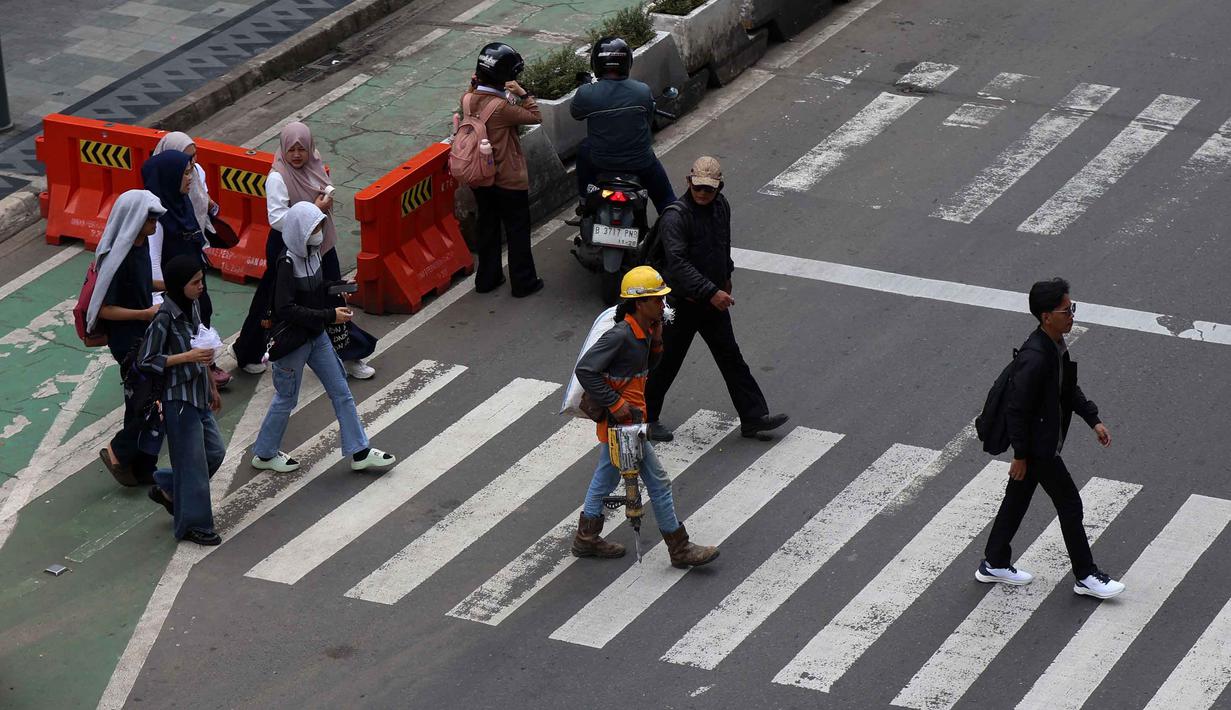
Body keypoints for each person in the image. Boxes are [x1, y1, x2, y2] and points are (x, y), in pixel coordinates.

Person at [977, 277, 1125, 599]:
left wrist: (1093, 420)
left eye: (1071, 308)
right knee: (1070, 503)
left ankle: (993, 562)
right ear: (1047, 316)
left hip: (1038, 444)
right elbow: (1016, 410)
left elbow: (1067, 389)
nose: (1071, 314)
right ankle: (1086, 575)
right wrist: (1020, 455)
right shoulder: (1036, 357)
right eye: (1065, 310)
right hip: (1039, 448)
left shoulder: (1056, 344)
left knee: (1016, 501)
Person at [572, 265, 718, 568]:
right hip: (623, 425)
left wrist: (658, 340)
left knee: (605, 476)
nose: (662, 304)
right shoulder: (621, 334)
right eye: (656, 300)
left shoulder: (644, 331)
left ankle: (586, 538)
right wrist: (614, 404)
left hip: (630, 422)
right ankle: (680, 548)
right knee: (659, 481)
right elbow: (586, 370)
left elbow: (646, 368)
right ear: (639, 303)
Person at [644, 157, 788, 443]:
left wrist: (727, 275)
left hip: (712, 301)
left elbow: (723, 244)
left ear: (719, 188)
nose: (702, 194)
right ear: (689, 182)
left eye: (709, 190)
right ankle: (645, 420)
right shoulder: (676, 216)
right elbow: (678, 265)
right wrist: (712, 291)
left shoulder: (721, 207)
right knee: (665, 362)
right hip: (680, 303)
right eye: (698, 188)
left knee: (731, 358)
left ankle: (753, 418)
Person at [250, 202, 396, 474]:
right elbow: (286, 308)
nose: (318, 232)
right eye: (313, 228)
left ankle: (359, 450)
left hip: (316, 336)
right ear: (299, 231)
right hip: (294, 342)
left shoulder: (313, 254)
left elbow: (316, 289)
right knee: (286, 398)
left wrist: (336, 288)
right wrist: (330, 316)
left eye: (319, 227)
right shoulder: (287, 263)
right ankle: (265, 453)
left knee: (341, 391)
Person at [233, 122, 378, 379]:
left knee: (332, 294)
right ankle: (247, 350)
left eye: (302, 148)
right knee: (272, 302)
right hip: (287, 248)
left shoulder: (314, 164)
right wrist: (315, 210)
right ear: (283, 150)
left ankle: (351, 354)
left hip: (320, 242)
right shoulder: (278, 177)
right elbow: (277, 218)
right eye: (292, 149)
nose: (297, 155)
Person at [138, 255, 226, 546]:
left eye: (201, 280)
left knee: (214, 453)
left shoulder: (194, 306)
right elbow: (146, 360)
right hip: (178, 399)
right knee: (194, 465)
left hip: (199, 392)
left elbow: (201, 346)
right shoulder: (164, 318)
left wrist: (211, 385)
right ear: (179, 285)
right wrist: (186, 357)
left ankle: (167, 484)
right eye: (195, 282)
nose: (201, 286)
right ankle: (194, 524)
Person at [88, 189, 167, 486]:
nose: (155, 225)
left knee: (142, 399)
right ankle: (118, 450)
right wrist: (144, 314)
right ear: (136, 219)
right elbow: (105, 309)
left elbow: (142, 280)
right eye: (151, 219)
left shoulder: (141, 243)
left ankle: (142, 465)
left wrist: (166, 284)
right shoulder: (118, 259)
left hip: (144, 333)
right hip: (129, 340)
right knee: (148, 400)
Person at [141, 149, 231, 388]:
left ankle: (204, 377)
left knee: (203, 316)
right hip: (174, 293)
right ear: (170, 177)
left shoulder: (182, 202)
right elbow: (153, 261)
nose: (191, 177)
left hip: (191, 283)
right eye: (185, 173)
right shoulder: (157, 217)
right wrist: (165, 298)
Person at [465, 42, 544, 297]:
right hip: (507, 179)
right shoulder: (501, 108)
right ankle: (523, 283)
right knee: (517, 230)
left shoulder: (467, 99)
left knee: (487, 227)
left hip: (480, 177)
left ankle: (487, 279)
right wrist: (523, 93)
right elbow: (535, 116)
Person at [571, 36, 676, 214]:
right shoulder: (642, 91)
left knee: (584, 148)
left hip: (601, 162)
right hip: (641, 163)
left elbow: (576, 114)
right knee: (667, 201)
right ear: (627, 62)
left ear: (596, 63)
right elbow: (648, 121)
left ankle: (584, 199)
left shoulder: (586, 93)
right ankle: (675, 226)